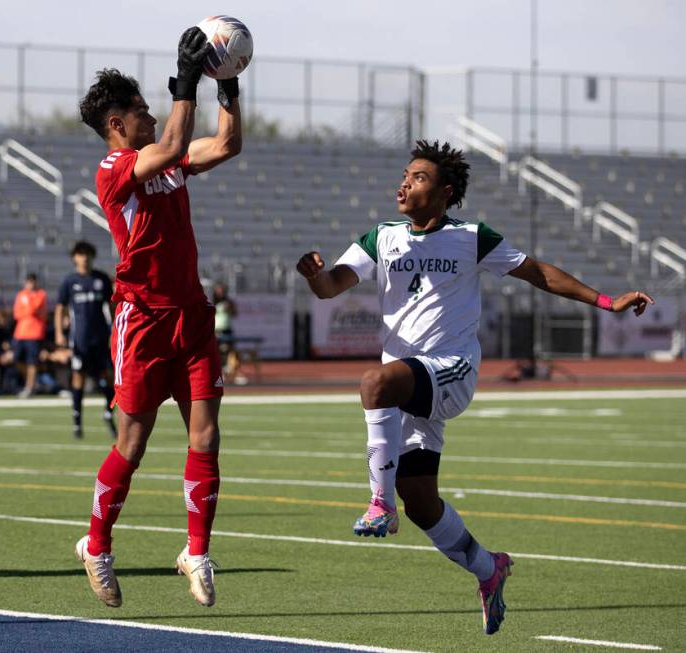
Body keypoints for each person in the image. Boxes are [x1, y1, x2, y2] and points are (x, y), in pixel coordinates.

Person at [296, 140, 653, 635]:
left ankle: (379, 504)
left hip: (449, 369)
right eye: (404, 174)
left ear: (444, 192)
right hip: (411, 386)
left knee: (374, 382)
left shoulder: (470, 237)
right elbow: (334, 283)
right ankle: (489, 569)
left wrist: (606, 300)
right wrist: (316, 277)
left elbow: (540, 273)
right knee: (422, 501)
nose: (404, 183)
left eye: (417, 177)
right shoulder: (382, 236)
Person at [73, 26, 241, 610]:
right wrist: (187, 85)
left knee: (208, 435)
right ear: (117, 123)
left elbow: (224, 146)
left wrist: (229, 90)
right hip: (142, 319)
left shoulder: (162, 162)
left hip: (190, 315)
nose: (150, 115)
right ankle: (95, 544)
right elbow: (169, 146)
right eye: (141, 110)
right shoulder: (113, 168)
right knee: (134, 441)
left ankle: (196, 551)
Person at [55, 241, 117, 439]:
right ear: (74, 257)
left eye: (88, 254)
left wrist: (117, 329)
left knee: (108, 376)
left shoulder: (101, 280)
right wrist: (59, 333)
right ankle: (77, 422)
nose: (84, 258)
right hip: (79, 339)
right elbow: (60, 308)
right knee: (78, 377)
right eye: (80, 254)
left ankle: (108, 414)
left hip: (100, 337)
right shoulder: (69, 281)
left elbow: (113, 306)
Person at [13, 274, 48, 397]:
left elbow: (33, 309)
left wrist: (27, 304)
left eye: (32, 282)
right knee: (17, 360)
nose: (30, 284)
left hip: (35, 333)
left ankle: (29, 387)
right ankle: (32, 381)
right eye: (28, 282)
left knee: (32, 362)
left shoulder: (41, 294)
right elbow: (17, 313)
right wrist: (27, 307)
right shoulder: (21, 294)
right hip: (20, 333)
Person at [212, 282, 244, 385]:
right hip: (216, 330)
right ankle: (220, 374)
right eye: (218, 290)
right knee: (217, 353)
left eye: (221, 290)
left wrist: (230, 308)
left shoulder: (229, 302)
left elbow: (235, 313)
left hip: (227, 330)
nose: (220, 292)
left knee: (232, 352)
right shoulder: (212, 302)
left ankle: (236, 374)